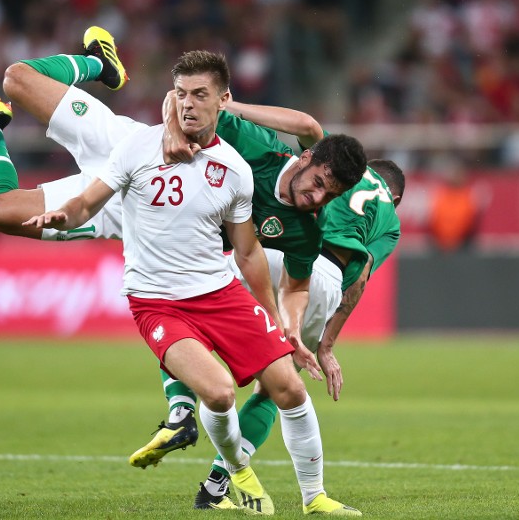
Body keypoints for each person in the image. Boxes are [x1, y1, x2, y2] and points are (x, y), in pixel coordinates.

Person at [0, 26, 367, 516]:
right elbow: (184, 100)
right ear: (306, 160)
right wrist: (167, 133)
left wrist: (287, 326)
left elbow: (296, 282)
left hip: (132, 213)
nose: (317, 199)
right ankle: (101, 64)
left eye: (327, 197)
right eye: (317, 186)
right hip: (131, 152)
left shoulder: (301, 224)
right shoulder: (254, 144)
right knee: (18, 78)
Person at [151, 157, 404, 510]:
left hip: (276, 252)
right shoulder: (389, 220)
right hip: (324, 282)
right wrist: (327, 347)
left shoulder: (339, 171)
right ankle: (219, 484)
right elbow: (358, 280)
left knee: (181, 314)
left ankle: (180, 410)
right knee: (274, 390)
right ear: (394, 197)